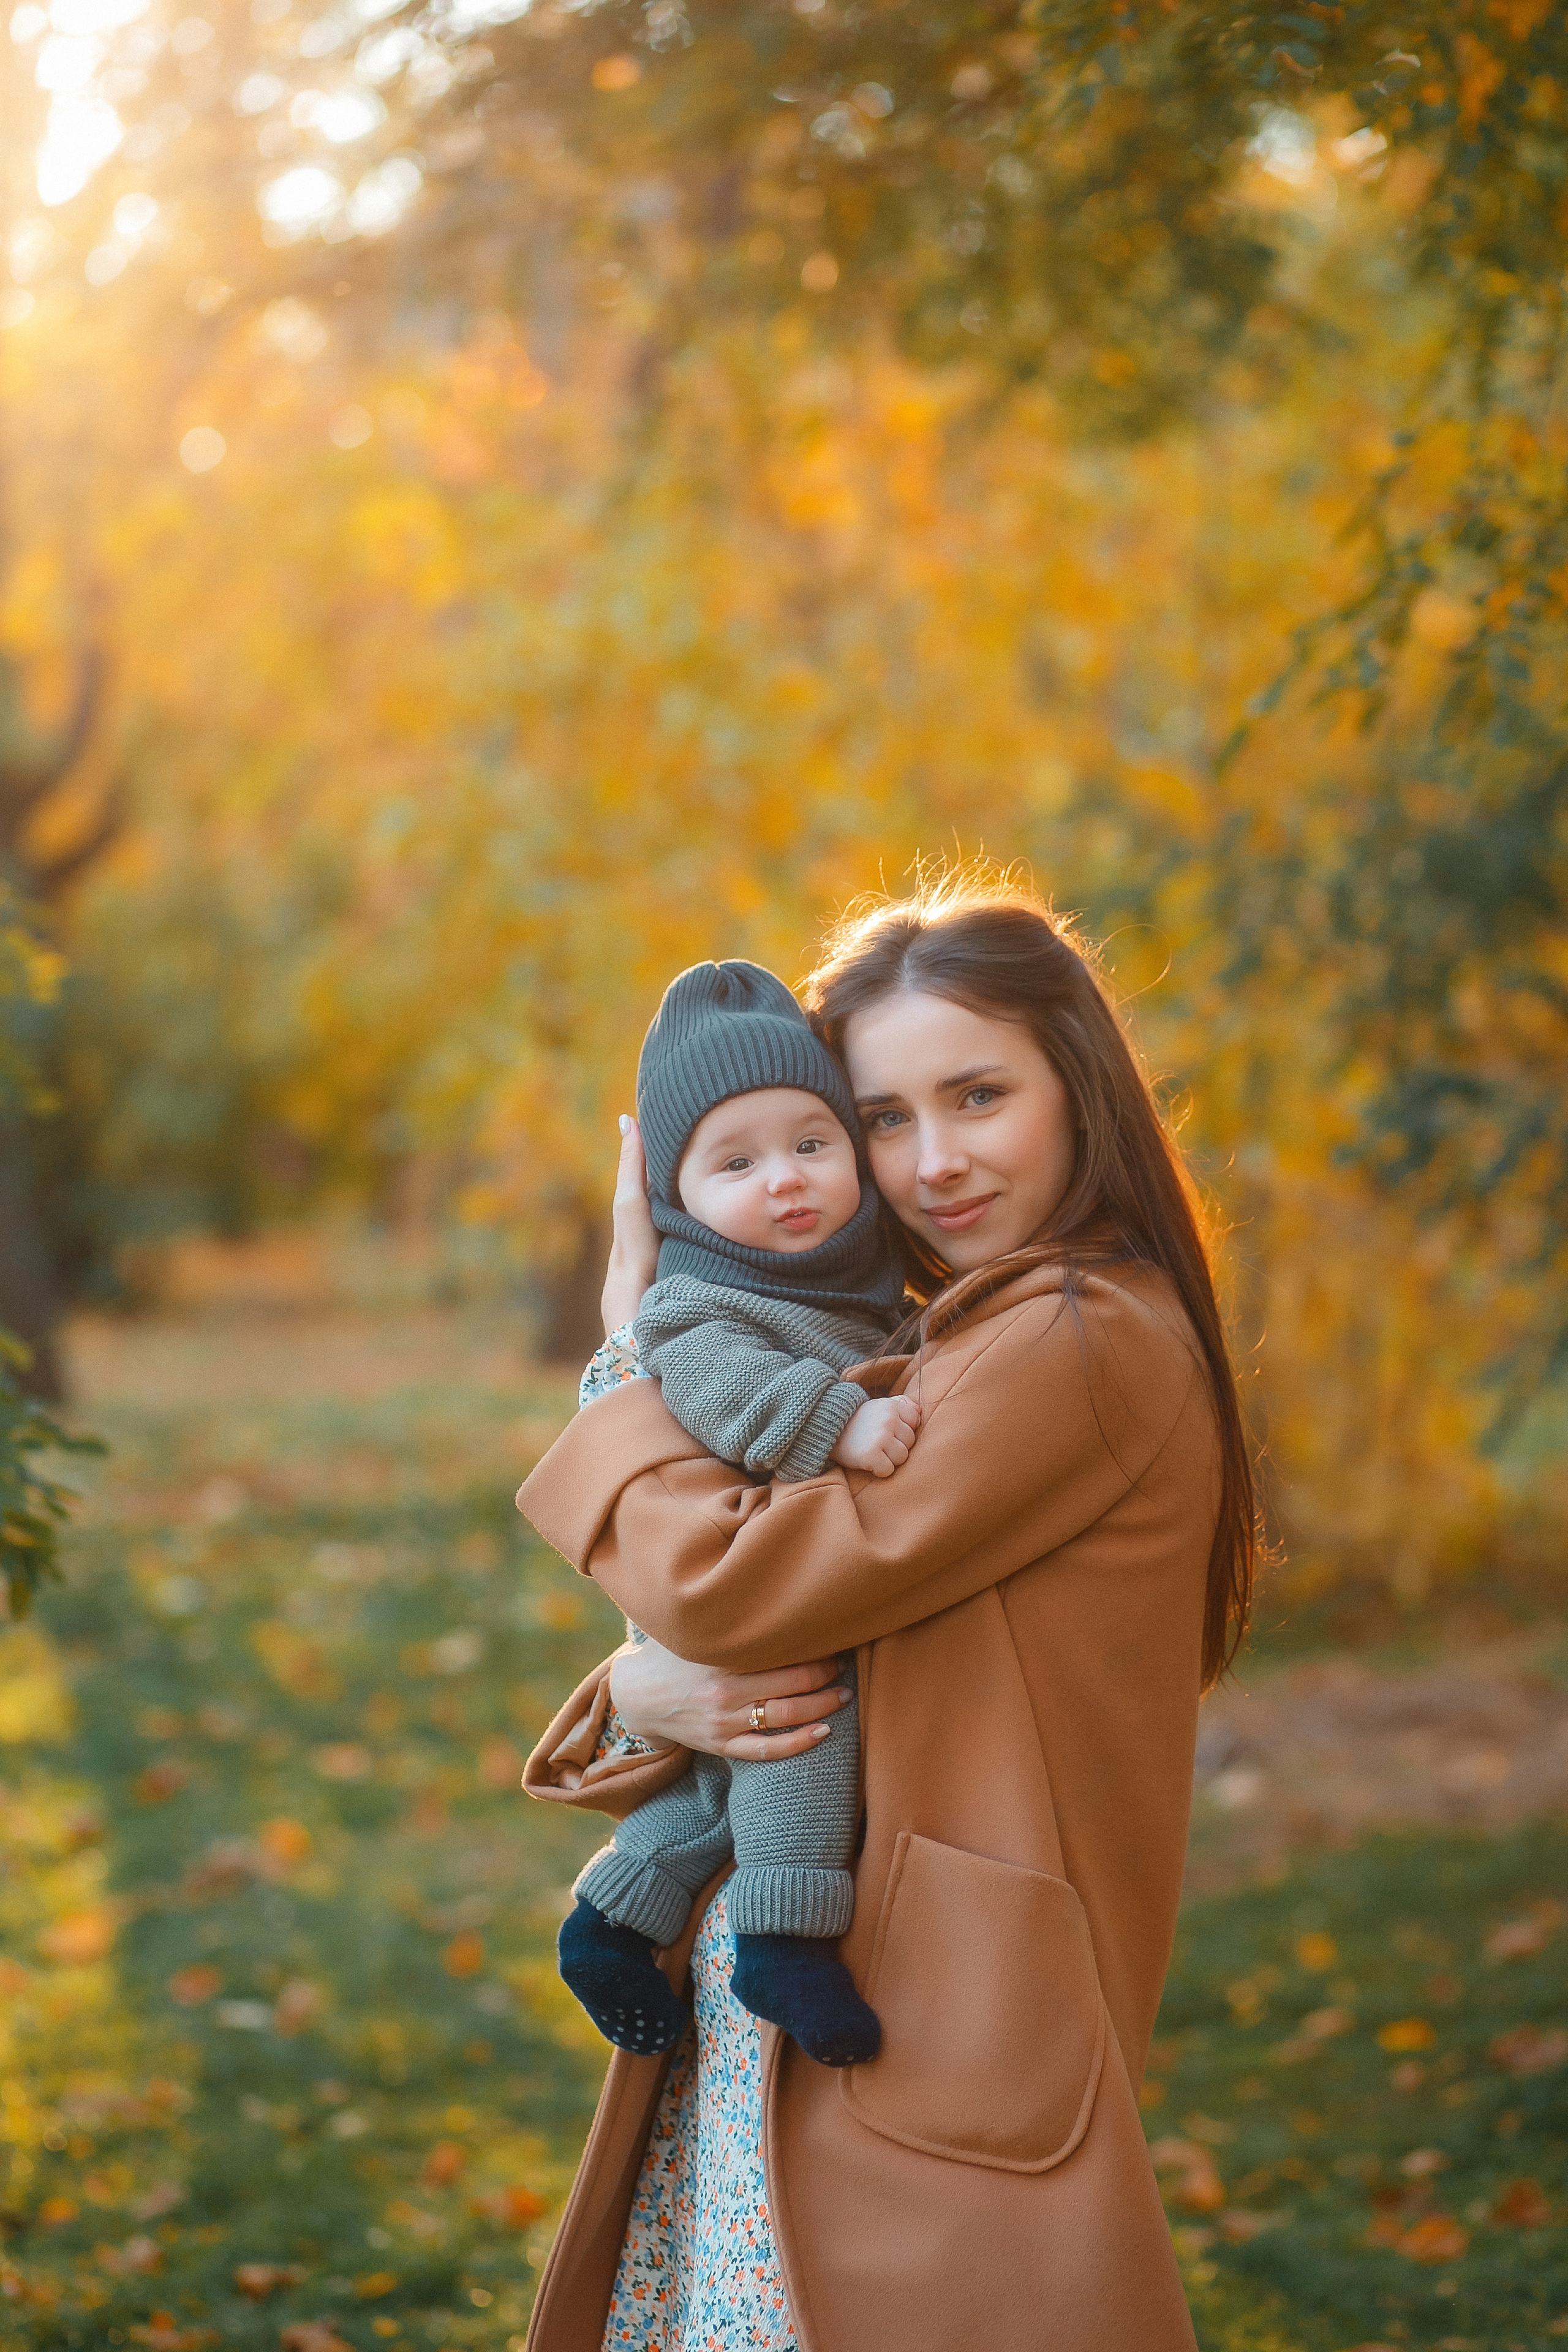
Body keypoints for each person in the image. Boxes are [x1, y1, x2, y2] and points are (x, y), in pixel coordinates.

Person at [516, 873, 1256, 2352]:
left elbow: (734, 1581)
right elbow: (802, 1605)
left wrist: (621, 1358)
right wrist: (649, 1696)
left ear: (1078, 1088)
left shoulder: (1070, 1339)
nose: (932, 1162)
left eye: (977, 1096)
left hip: (922, 2027)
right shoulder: (943, 1336)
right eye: (881, 1118)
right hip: (806, 2012)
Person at [558, 956, 918, 2069]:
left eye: (813, 1143)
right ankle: (783, 1937)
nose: (786, 1181)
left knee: (723, 1782)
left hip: (760, 1573)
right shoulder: (700, 1300)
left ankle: (610, 1917)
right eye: (736, 1162)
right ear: (675, 1198)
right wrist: (839, 1423)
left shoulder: (861, 1291)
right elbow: (722, 1390)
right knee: (806, 1722)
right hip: (742, 1588)